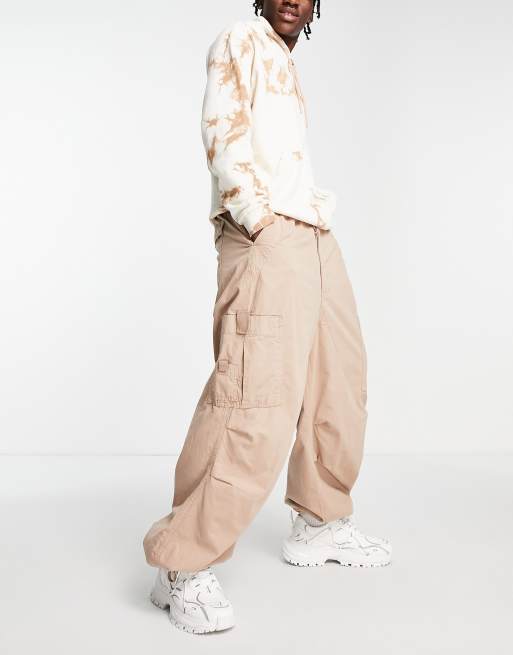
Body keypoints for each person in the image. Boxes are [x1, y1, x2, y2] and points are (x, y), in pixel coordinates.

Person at [142, 0, 392, 634]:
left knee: (338, 379)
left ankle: (319, 520)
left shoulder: (284, 56)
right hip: (268, 232)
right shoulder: (241, 39)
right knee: (252, 396)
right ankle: (182, 563)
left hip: (311, 231)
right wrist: (257, 219)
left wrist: (299, 224)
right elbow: (222, 131)